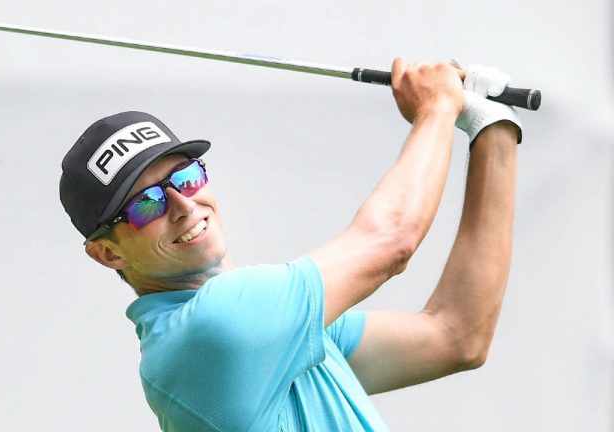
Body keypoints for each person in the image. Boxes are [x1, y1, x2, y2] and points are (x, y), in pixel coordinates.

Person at [58, 57, 522, 431]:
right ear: (108, 253)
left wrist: (491, 129)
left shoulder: (278, 330)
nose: (183, 205)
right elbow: (391, 239)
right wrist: (437, 107)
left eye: (186, 176)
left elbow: (455, 336)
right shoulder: (214, 330)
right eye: (145, 205)